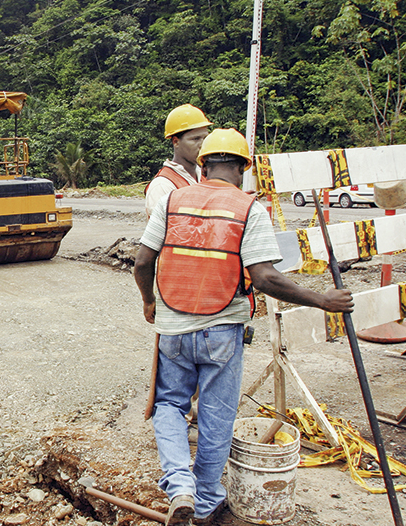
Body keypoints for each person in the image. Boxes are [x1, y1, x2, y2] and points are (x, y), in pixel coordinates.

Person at [133, 128, 353, 525]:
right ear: (240, 168)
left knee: (168, 404)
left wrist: (150, 302)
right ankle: (203, 502)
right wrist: (324, 301)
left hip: (173, 329)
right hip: (222, 330)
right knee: (216, 416)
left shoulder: (173, 200)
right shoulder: (248, 209)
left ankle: (179, 484)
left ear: (204, 165)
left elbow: (142, 262)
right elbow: (266, 279)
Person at [146, 104, 212, 217]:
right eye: (195, 139)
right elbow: (162, 232)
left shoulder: (206, 176)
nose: (202, 145)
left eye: (205, 138)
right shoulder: (163, 186)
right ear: (176, 142)